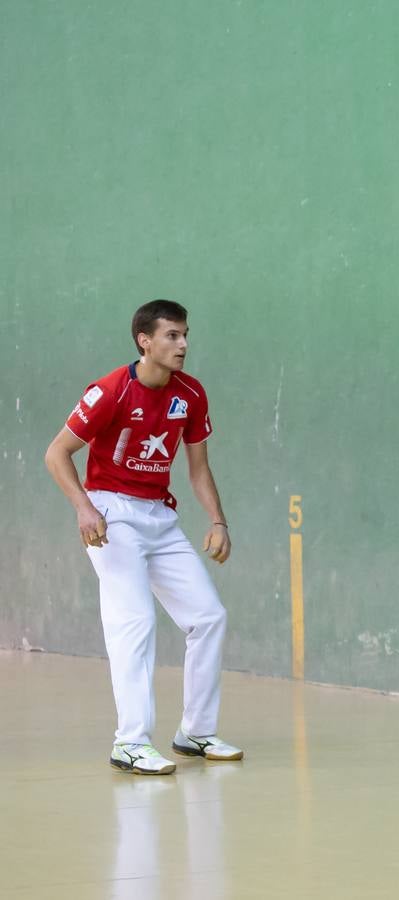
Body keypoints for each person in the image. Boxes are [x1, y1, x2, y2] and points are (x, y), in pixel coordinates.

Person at [44, 299, 244, 774]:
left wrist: (218, 520)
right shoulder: (110, 391)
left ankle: (195, 732)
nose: (183, 344)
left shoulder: (191, 395)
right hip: (111, 512)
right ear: (145, 341)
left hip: (159, 515)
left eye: (185, 334)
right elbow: (56, 453)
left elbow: (198, 468)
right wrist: (84, 507)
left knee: (208, 616)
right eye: (172, 335)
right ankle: (130, 742)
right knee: (134, 620)